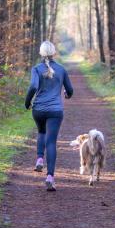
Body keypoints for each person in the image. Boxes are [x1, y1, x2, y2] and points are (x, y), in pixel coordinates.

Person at [25, 41, 73, 191]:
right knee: (51, 142)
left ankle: (39, 159)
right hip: (55, 111)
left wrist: (27, 102)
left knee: (41, 132)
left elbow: (33, 86)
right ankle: (50, 177)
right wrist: (66, 94)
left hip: (38, 109)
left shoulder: (36, 69)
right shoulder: (61, 69)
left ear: (41, 53)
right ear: (54, 53)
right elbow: (70, 90)